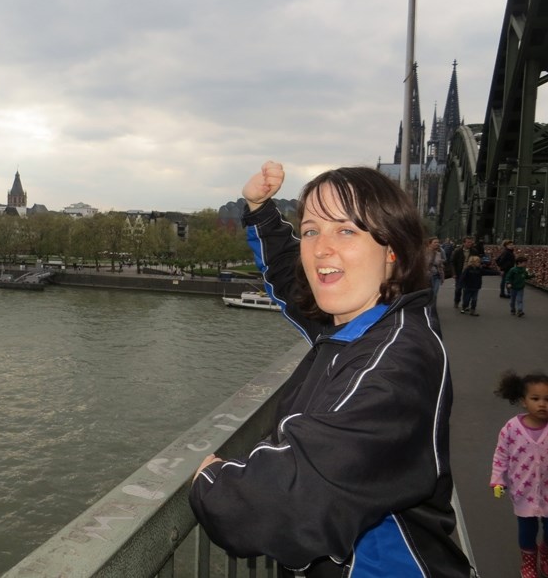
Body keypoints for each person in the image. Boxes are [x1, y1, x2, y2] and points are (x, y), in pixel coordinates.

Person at [189, 162, 472, 577]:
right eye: (310, 231)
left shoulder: (395, 363)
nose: (320, 248)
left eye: (346, 230)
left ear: (392, 249)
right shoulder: (361, 323)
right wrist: (259, 207)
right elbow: (291, 274)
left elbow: (288, 502)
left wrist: (211, 481)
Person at [490, 370, 548, 578]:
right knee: (527, 532)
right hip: (524, 491)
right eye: (535, 398)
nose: (542, 404)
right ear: (523, 401)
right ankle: (528, 562)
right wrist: (497, 480)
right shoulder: (511, 428)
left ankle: (547, 551)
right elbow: (501, 455)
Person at [450, 236, 478, 309]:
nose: (470, 244)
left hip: (469, 274)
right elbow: (452, 262)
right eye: (468, 242)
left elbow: (477, 261)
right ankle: (456, 301)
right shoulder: (458, 251)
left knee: (467, 290)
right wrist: (454, 273)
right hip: (460, 273)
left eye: (471, 242)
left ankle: (465, 304)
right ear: (464, 243)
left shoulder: (474, 251)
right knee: (458, 289)